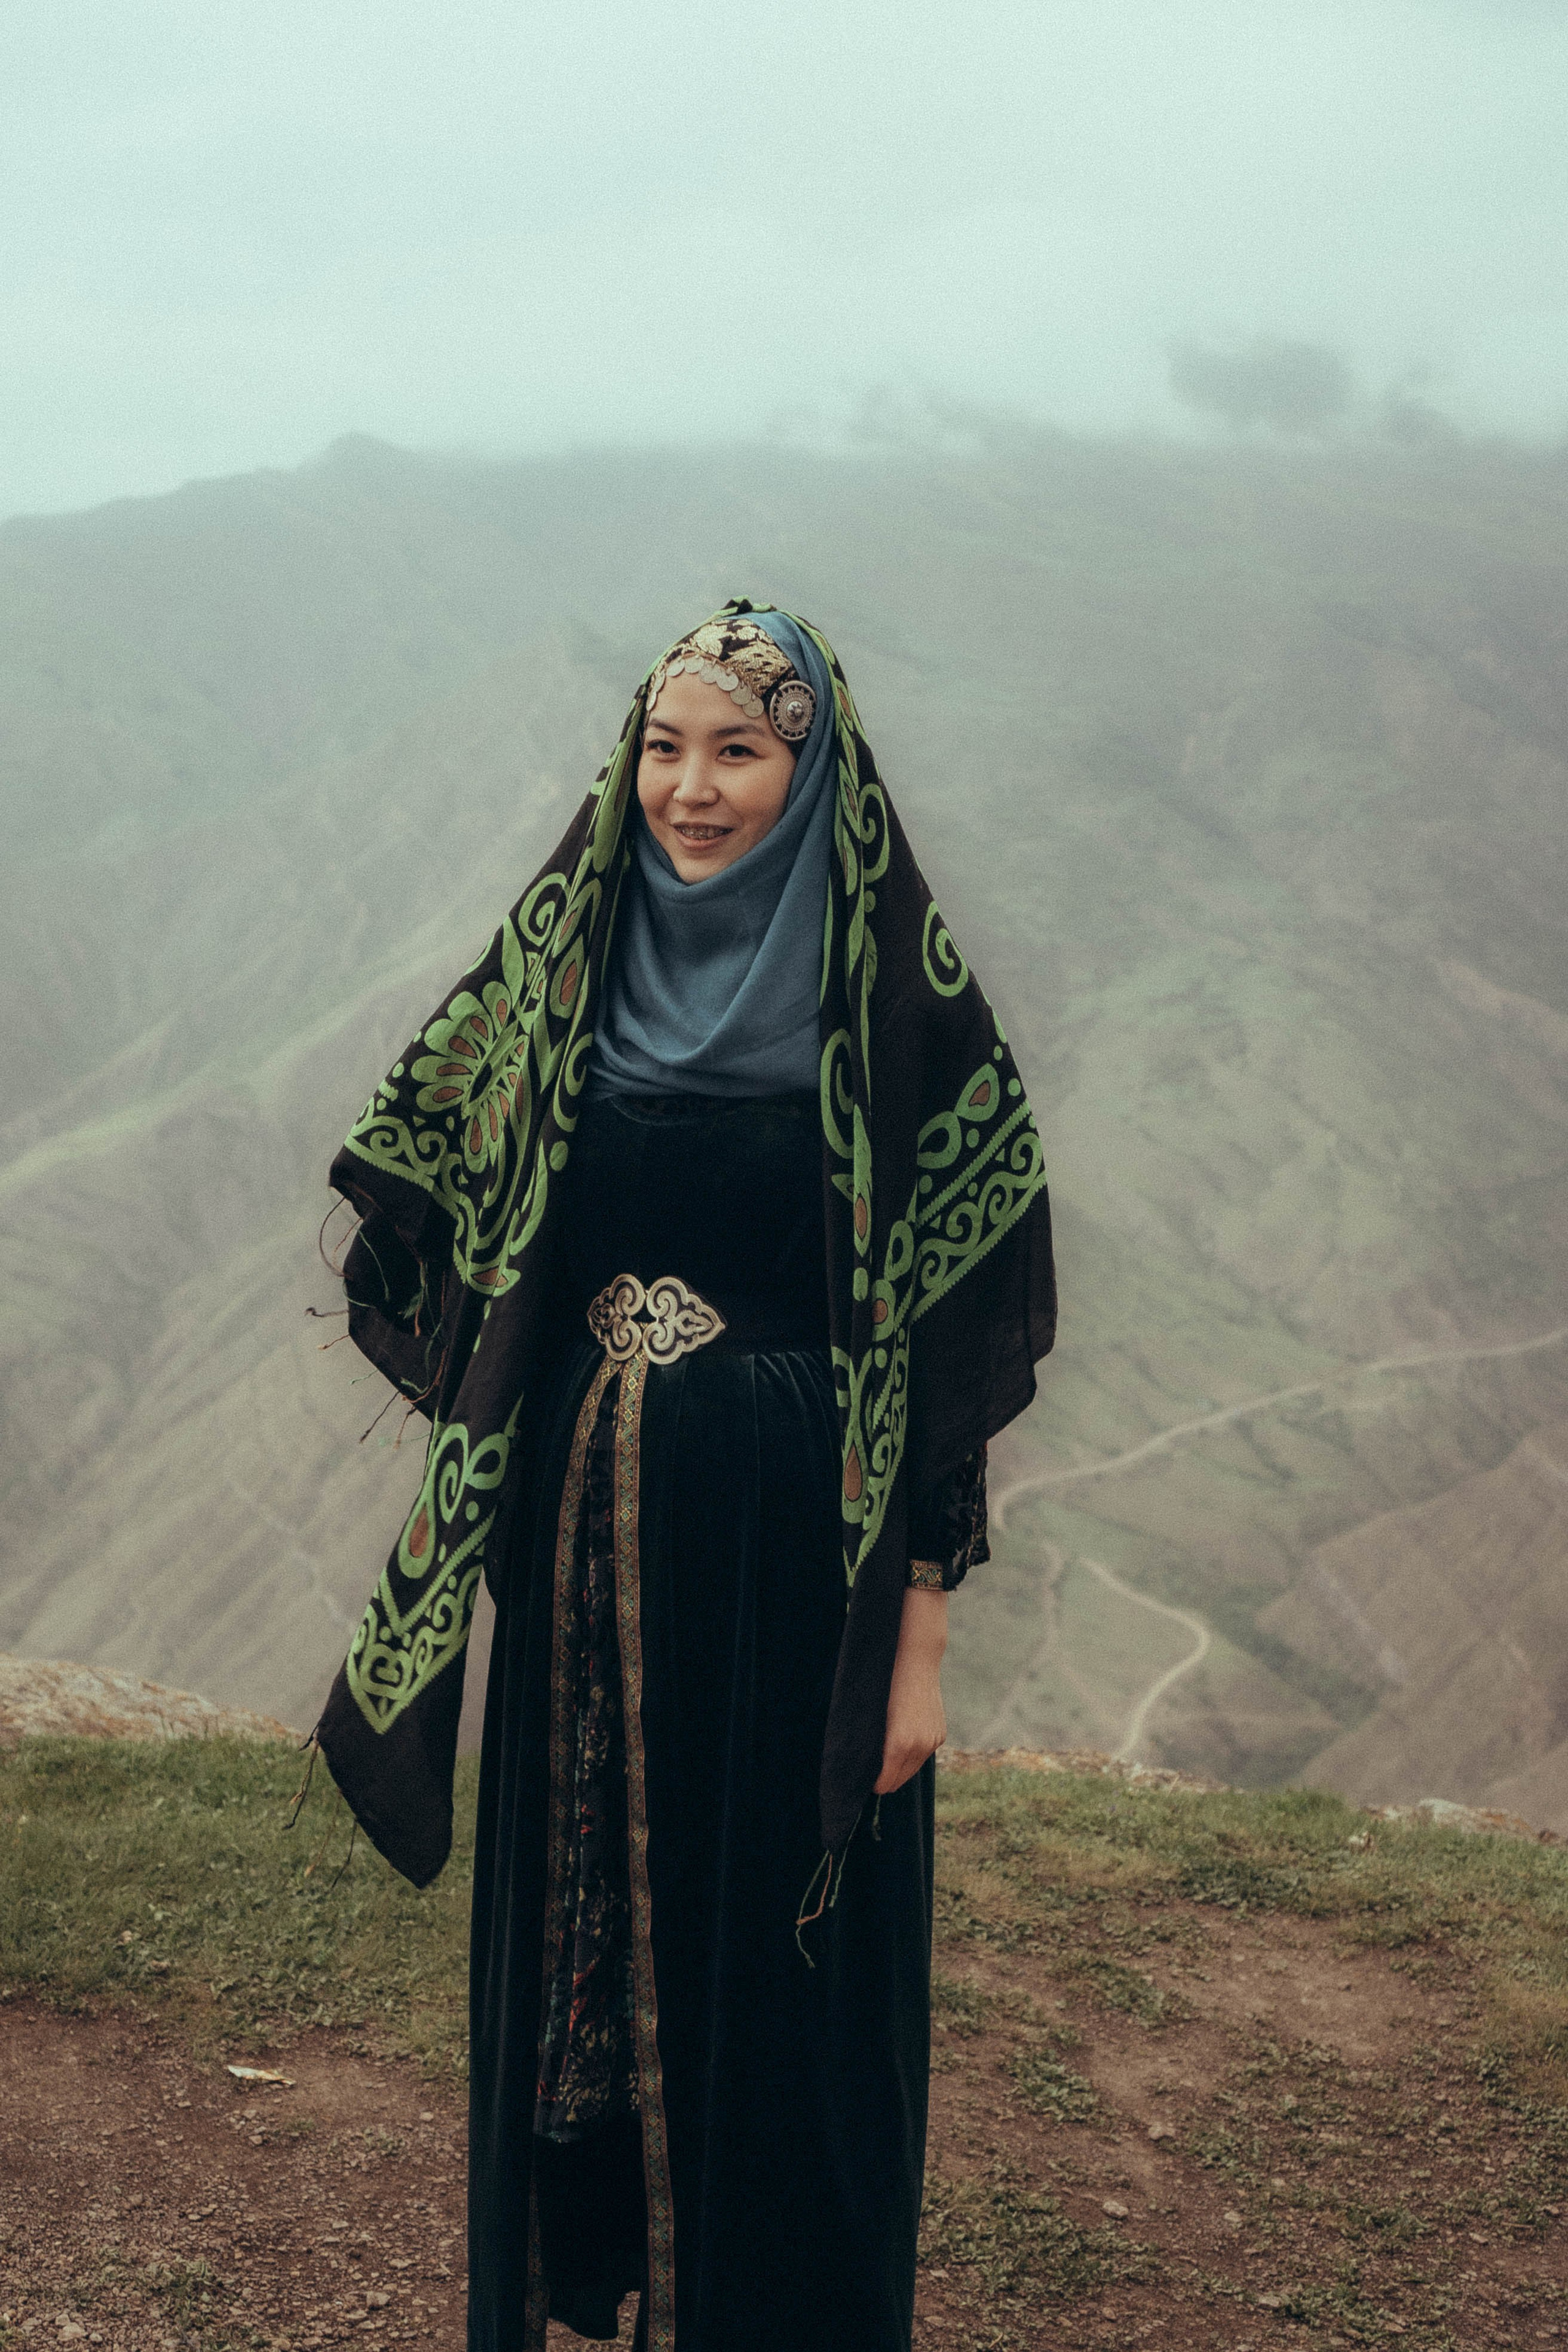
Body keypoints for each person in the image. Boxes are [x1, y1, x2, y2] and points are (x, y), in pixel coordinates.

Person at [314, 603, 1056, 2351]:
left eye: (741, 751)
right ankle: (602, 2271)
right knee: (586, 1899)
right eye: (664, 747)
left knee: (777, 1964)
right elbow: (435, 1177)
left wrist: (922, 1634)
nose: (692, 790)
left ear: (816, 777)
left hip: (800, 1564)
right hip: (578, 1546)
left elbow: (946, 1351)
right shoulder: (572, 966)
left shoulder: (890, 1009)